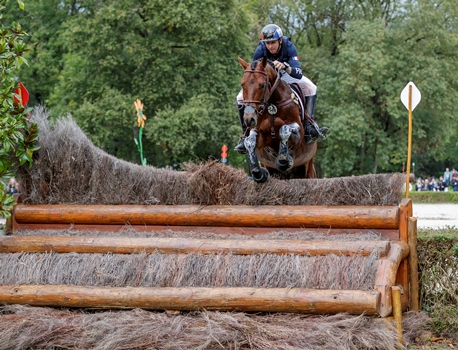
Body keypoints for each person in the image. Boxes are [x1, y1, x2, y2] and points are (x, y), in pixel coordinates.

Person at [234, 24, 329, 153]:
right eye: (267, 43)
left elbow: (298, 72)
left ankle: (309, 126)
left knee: (311, 87)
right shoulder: (260, 49)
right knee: (240, 97)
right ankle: (246, 134)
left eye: (273, 42)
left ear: (279, 40)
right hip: (268, 80)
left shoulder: (288, 46)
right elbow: (254, 72)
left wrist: (285, 67)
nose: (270, 46)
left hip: (286, 75)